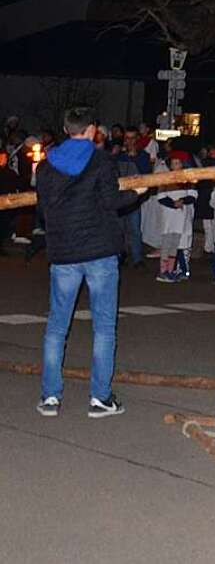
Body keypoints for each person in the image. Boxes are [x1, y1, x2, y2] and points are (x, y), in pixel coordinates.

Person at [34, 106, 138, 418]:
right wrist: (137, 192)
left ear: (67, 130)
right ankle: (100, 398)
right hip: (99, 252)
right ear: (92, 130)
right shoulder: (102, 160)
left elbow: (43, 209)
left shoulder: (46, 167)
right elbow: (111, 201)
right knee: (104, 327)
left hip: (64, 253)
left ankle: (50, 397)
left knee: (56, 326)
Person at [114, 127, 152, 268]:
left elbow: (146, 175)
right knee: (119, 230)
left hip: (134, 198)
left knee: (135, 229)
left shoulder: (143, 156)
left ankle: (137, 258)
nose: (129, 141)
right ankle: (119, 255)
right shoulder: (119, 157)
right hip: (119, 197)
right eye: (127, 138)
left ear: (137, 139)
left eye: (132, 138)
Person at [154, 155, 197, 282]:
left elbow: (193, 196)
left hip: (182, 218)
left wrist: (182, 201)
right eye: (173, 163)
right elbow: (161, 197)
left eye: (178, 163)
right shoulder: (165, 179)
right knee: (166, 245)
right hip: (169, 218)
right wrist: (173, 204)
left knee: (175, 246)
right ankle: (163, 271)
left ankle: (171, 270)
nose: (175, 165)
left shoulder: (188, 180)